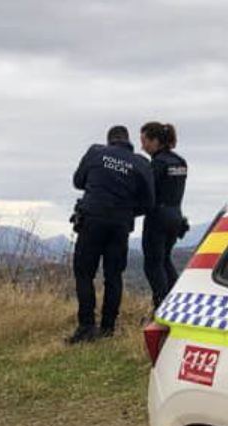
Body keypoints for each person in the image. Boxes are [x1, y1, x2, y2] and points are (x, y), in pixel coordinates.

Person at [68, 125, 154, 344]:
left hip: (92, 220)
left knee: (84, 273)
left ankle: (86, 327)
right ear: (128, 140)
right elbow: (149, 202)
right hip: (120, 225)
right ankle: (108, 329)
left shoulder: (96, 152)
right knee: (113, 276)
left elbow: (78, 181)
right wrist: (126, 211)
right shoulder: (141, 163)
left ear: (110, 141)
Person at [139, 122, 189, 310]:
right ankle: (175, 306)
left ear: (156, 141)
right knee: (165, 260)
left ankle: (161, 307)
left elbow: (148, 193)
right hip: (176, 217)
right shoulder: (180, 162)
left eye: (145, 141)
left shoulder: (158, 163)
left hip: (157, 218)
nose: (142, 146)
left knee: (152, 264)